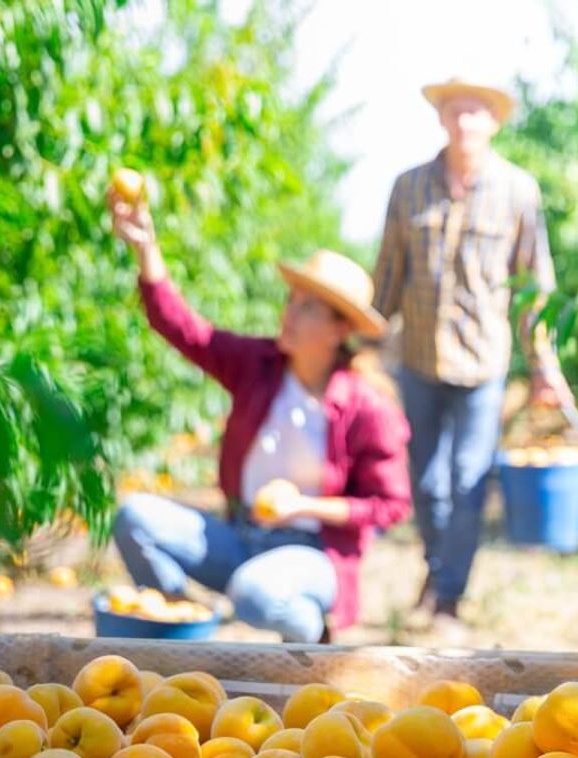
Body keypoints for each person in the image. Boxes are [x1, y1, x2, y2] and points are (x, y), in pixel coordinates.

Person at [107, 185, 411, 643]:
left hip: (312, 553)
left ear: (339, 329)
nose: (288, 314)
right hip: (241, 536)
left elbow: (390, 505)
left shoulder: (365, 405)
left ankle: (312, 644)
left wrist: (302, 506)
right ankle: (178, 635)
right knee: (135, 518)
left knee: (255, 594)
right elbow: (187, 331)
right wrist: (146, 249)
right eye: (292, 300)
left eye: (307, 308)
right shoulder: (260, 365)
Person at [371, 77, 575, 629]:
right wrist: (361, 341)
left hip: (482, 360)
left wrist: (543, 366)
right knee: (427, 480)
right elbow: (388, 272)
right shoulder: (409, 187)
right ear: (442, 119)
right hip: (417, 356)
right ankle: (437, 569)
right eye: (455, 111)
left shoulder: (517, 191)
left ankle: (449, 598)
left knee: (468, 479)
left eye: (476, 113)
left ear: (494, 122)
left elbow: (536, 285)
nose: (465, 122)